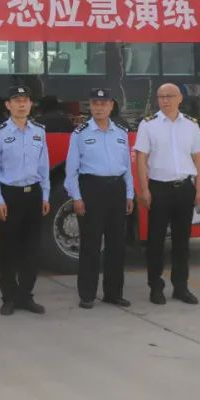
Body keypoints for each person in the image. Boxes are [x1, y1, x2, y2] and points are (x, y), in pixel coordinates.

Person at [134, 83, 200, 305]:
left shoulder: (191, 125)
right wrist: (144, 189)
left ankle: (181, 287)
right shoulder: (148, 125)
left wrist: (199, 188)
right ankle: (155, 287)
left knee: (182, 242)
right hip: (159, 188)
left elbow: (198, 157)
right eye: (161, 96)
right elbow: (141, 158)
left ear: (180, 98)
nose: (165, 100)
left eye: (170, 96)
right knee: (155, 241)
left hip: (184, 188)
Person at [64, 88, 133, 309]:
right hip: (91, 189)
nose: (99, 108)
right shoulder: (80, 133)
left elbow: (127, 168)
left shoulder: (121, 132)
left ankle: (114, 293)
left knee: (117, 245)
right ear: (90, 106)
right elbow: (71, 170)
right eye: (95, 103)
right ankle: (87, 294)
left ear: (111, 106)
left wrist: (129, 194)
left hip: (117, 190)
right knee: (90, 245)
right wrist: (77, 197)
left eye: (104, 104)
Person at [0, 85, 50, 316]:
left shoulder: (39, 132)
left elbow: (44, 167)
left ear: (31, 104)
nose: (21, 104)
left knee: (32, 250)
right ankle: (9, 298)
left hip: (33, 195)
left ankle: (26, 296)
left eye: (25, 100)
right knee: (9, 250)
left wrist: (46, 195)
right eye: (16, 100)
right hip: (9, 196)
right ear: (8, 105)